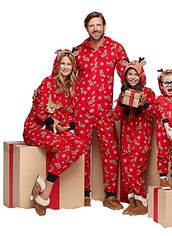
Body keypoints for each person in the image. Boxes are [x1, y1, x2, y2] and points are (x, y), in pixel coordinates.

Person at [70, 11, 128, 209]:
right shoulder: (78, 51)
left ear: (104, 26)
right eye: (91, 25)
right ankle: (83, 193)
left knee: (110, 151)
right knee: (81, 151)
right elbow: (63, 75)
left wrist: (133, 96)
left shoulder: (115, 49)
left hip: (104, 111)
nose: (95, 28)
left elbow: (129, 76)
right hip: (81, 111)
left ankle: (110, 195)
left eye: (98, 25)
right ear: (86, 28)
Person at [23, 49, 87, 216]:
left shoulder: (72, 87)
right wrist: (55, 125)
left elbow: (71, 113)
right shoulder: (48, 82)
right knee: (65, 148)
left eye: (69, 64)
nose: (66, 67)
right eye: (63, 63)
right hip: (37, 129)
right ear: (57, 65)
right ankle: (45, 193)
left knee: (80, 145)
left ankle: (42, 184)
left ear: (73, 67)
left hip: (57, 131)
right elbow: (39, 110)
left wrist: (71, 130)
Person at [113, 58, 155, 215]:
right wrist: (122, 104)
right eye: (129, 74)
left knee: (134, 170)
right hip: (126, 138)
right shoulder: (123, 93)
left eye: (135, 74)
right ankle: (133, 201)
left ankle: (142, 202)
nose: (132, 77)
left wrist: (145, 105)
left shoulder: (148, 93)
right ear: (125, 77)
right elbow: (116, 116)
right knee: (126, 170)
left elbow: (155, 113)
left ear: (141, 76)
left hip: (141, 138)